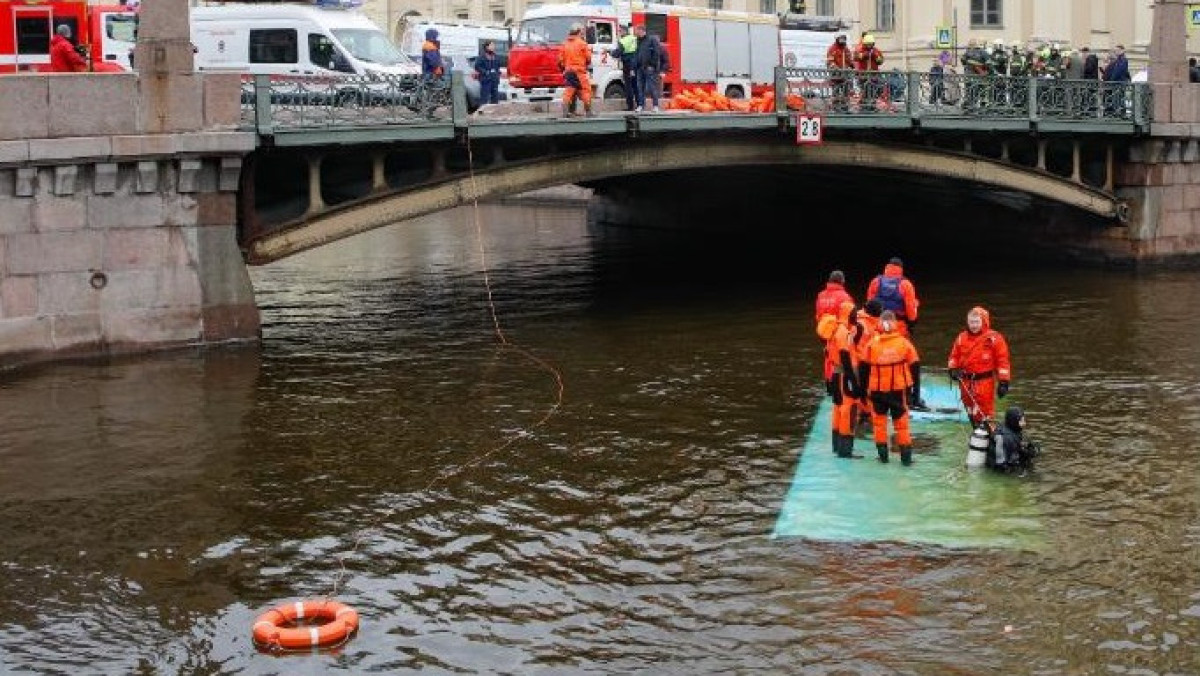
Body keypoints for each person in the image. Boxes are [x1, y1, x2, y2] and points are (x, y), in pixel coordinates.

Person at [858, 310, 922, 465]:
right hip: (897, 391)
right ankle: (906, 459)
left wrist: (862, 391)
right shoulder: (903, 343)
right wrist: (915, 392)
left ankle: (883, 457)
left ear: (880, 323)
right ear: (895, 324)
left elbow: (863, 369)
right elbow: (915, 366)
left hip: (877, 391)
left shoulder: (872, 344)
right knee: (901, 425)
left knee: (879, 424)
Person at [947, 306, 1011, 427]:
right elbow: (953, 356)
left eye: (976, 322)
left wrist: (1004, 382)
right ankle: (977, 433)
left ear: (984, 321)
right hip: (965, 382)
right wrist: (952, 369)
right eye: (971, 322)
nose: (973, 325)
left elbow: (1002, 360)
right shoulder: (961, 338)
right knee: (970, 411)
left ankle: (989, 438)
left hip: (984, 383)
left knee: (985, 414)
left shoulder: (994, 338)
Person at [826, 301, 863, 458]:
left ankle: (837, 446)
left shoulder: (838, 330)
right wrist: (853, 382)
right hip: (843, 376)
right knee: (847, 411)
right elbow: (845, 356)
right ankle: (845, 450)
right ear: (848, 314)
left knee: (838, 408)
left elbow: (830, 354)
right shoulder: (843, 333)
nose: (856, 315)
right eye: (854, 313)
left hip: (836, 374)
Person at [865, 257, 919, 338]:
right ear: (901, 268)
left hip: (878, 324)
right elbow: (910, 306)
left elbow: (869, 303)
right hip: (898, 324)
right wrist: (912, 322)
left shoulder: (875, 281)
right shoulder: (906, 284)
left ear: (887, 266)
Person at [559, 23, 594, 118]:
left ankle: (566, 112)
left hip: (568, 71)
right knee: (586, 91)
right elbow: (588, 58)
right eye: (582, 31)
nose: (583, 32)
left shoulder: (565, 43)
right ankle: (588, 112)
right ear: (579, 31)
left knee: (570, 91)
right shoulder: (582, 43)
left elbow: (560, 60)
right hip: (579, 71)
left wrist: (565, 68)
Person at [992, 406, 1040, 473]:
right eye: (1021, 421)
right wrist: (1025, 455)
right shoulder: (1007, 438)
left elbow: (1014, 447)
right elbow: (1003, 465)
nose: (1024, 423)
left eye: (1024, 420)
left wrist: (1025, 449)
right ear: (1013, 421)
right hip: (1004, 471)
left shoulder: (1008, 427)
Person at [634, 23, 668, 113]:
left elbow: (656, 54)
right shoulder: (638, 40)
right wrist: (635, 66)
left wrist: (652, 66)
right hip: (640, 68)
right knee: (640, 87)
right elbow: (637, 54)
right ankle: (641, 105)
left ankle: (655, 106)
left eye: (637, 30)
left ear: (642, 31)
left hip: (649, 68)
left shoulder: (651, 40)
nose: (635, 32)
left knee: (652, 87)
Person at [612, 25, 640, 111]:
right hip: (636, 64)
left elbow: (616, 54)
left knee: (628, 86)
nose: (619, 33)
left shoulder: (623, 41)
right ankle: (640, 105)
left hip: (627, 65)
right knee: (636, 86)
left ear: (624, 31)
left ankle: (630, 106)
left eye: (620, 31)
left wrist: (610, 52)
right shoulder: (634, 38)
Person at [853, 34, 884, 112]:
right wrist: (865, 55)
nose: (869, 46)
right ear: (865, 44)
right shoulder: (860, 49)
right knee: (865, 90)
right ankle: (863, 106)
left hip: (874, 75)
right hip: (863, 75)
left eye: (871, 44)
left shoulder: (876, 51)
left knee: (874, 90)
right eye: (868, 44)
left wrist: (876, 56)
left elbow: (881, 61)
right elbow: (856, 57)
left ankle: (872, 106)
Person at [826, 33, 854, 112]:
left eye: (844, 39)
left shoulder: (846, 49)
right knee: (836, 91)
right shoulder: (832, 49)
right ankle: (836, 107)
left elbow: (849, 60)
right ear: (837, 39)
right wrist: (836, 69)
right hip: (836, 75)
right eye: (841, 39)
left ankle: (845, 107)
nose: (842, 41)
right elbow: (830, 61)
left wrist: (851, 65)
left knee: (846, 91)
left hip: (845, 75)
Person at [473, 41, 502, 105]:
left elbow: (498, 66)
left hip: (494, 80)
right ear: (487, 47)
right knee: (484, 98)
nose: (493, 47)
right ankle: (483, 111)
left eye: (493, 45)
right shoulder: (481, 57)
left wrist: (498, 73)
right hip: (486, 80)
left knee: (495, 97)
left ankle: (494, 111)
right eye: (491, 45)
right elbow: (477, 66)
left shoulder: (496, 56)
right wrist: (485, 72)